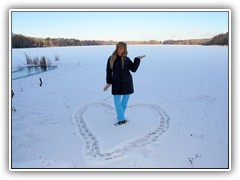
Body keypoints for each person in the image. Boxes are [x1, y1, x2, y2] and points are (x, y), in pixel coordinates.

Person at [103, 41, 145, 126]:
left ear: (125, 49)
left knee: (124, 103)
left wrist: (137, 59)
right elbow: (108, 71)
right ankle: (122, 119)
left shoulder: (126, 59)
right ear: (116, 48)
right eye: (119, 47)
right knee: (117, 103)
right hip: (116, 83)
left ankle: (120, 117)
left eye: (122, 48)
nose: (120, 49)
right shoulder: (111, 58)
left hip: (127, 83)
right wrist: (109, 82)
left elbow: (133, 69)